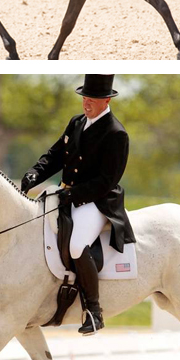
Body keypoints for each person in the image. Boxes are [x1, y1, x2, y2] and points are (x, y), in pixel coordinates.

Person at [19, 74, 135, 335]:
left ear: (106, 100)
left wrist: (72, 195)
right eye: (84, 97)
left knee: (76, 245)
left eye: (92, 99)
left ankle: (94, 311)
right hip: (66, 194)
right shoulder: (77, 122)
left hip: (97, 200)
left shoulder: (116, 134)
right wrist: (35, 173)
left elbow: (107, 180)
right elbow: (55, 155)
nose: (86, 103)